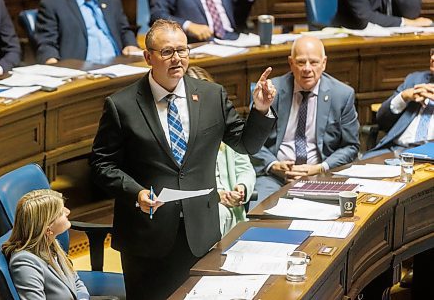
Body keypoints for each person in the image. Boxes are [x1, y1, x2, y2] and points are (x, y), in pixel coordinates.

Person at [90, 19, 277, 299]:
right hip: (146, 236)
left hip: (200, 232)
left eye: (183, 50)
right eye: (167, 52)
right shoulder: (122, 105)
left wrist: (260, 110)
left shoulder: (212, 95)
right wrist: (136, 192)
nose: (177, 58)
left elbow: (244, 144)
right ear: (148, 57)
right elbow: (101, 164)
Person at [250, 36, 360, 208]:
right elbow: (251, 140)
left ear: (324, 63)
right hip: (275, 177)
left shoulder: (342, 95)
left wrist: (320, 168)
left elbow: (351, 146)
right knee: (259, 213)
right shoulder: (272, 91)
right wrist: (273, 165)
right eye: (301, 62)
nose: (307, 69)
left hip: (321, 175)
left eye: (314, 62)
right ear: (291, 63)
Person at [186, 65, 256, 236]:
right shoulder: (181, 134)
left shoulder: (223, 123)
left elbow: (245, 168)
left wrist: (242, 188)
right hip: (206, 209)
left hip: (234, 209)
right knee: (217, 215)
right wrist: (218, 196)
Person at [35, 0, 141, 65]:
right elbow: (47, 43)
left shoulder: (111, 0)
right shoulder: (53, 4)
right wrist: (52, 63)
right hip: (80, 68)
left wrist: (130, 44)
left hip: (119, 64)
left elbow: (124, 30)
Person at [2, 189, 90, 300]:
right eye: (61, 213)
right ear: (48, 229)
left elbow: (76, 281)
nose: (68, 211)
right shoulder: (25, 263)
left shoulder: (52, 244)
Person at [363, 49, 434, 158]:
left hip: (429, 155)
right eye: (432, 54)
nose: (432, 58)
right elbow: (381, 118)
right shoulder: (416, 79)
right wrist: (404, 97)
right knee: (361, 166)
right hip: (396, 150)